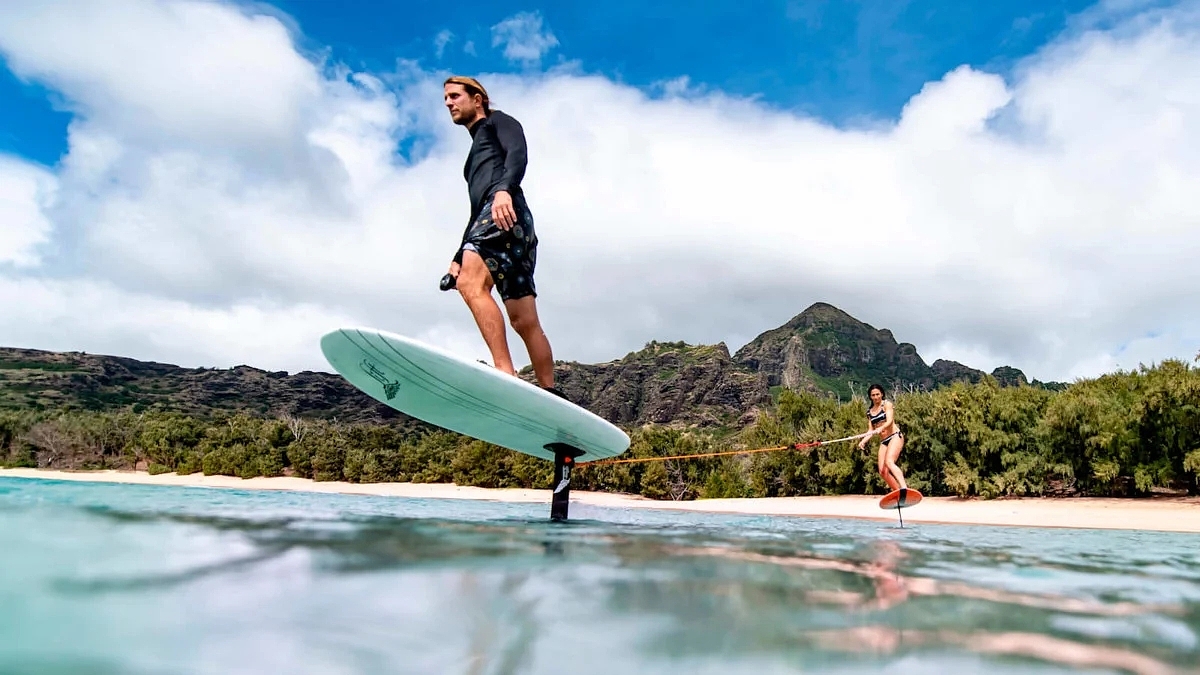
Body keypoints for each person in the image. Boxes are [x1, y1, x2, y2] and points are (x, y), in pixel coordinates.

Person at [439, 75, 564, 398]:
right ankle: (552, 391)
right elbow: (474, 210)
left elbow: (518, 154)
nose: (449, 103)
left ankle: (504, 372)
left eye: (455, 96)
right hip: (510, 224)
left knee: (471, 284)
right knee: (524, 320)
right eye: (446, 99)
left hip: (503, 211)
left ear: (477, 98)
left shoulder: (498, 122)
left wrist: (505, 191)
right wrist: (457, 256)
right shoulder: (475, 154)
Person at [858, 383, 907, 492]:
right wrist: (864, 441)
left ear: (882, 394)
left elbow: (889, 421)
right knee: (882, 471)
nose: (876, 397)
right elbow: (870, 431)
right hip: (884, 441)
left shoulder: (886, 404)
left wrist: (882, 427)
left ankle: (904, 488)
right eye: (873, 395)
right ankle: (897, 491)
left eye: (877, 394)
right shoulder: (869, 412)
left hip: (895, 436)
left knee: (889, 462)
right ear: (870, 397)